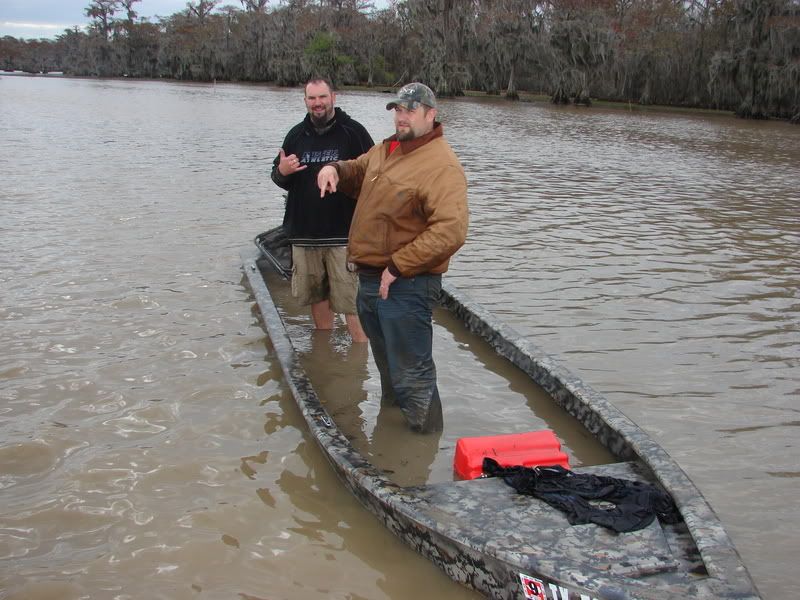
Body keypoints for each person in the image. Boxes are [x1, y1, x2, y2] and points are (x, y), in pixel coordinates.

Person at [317, 82, 469, 433]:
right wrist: (335, 170)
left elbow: (450, 230)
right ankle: (392, 439)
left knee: (413, 374)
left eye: (410, 110)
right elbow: (357, 170)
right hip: (371, 280)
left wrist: (399, 266)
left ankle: (424, 448)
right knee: (388, 367)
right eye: (398, 110)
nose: (401, 117)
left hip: (406, 284)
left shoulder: (441, 165)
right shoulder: (387, 150)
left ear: (431, 115)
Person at [271, 76, 373, 342]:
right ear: (305, 101)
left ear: (333, 98)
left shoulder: (354, 132)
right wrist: (282, 172)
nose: (317, 104)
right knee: (317, 297)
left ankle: (360, 358)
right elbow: (279, 177)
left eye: (322, 97)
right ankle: (325, 352)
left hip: (343, 237)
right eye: (312, 98)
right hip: (304, 236)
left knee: (352, 303)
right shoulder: (295, 135)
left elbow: (374, 175)